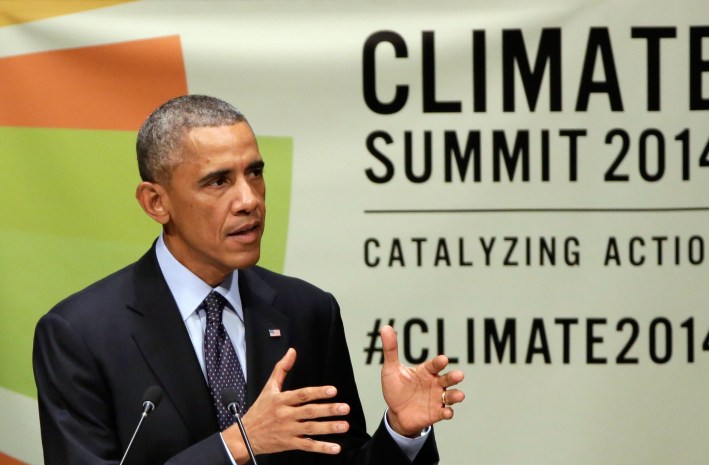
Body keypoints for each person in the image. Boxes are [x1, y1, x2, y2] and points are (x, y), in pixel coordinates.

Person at [33, 95, 465, 465]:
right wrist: (235, 445)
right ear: (156, 202)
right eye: (218, 181)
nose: (249, 200)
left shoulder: (307, 311)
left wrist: (401, 433)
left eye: (254, 173)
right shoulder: (81, 334)